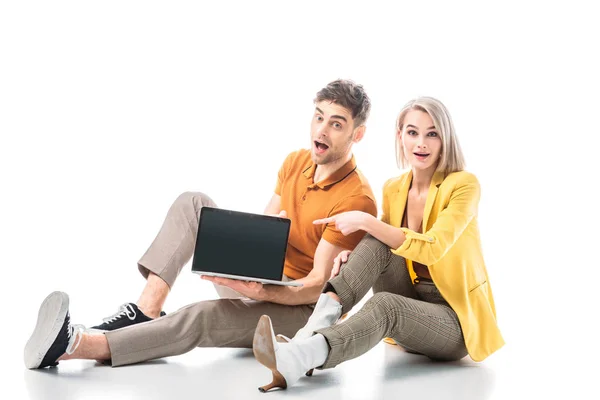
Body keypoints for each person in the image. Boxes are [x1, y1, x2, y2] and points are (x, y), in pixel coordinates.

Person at [24, 79, 378, 370]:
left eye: (336, 123)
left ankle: (74, 345)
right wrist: (245, 265)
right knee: (194, 203)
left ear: (357, 135)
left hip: (300, 310)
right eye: (319, 117)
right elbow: (267, 227)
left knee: (203, 315)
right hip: (267, 281)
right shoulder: (296, 161)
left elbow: (318, 287)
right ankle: (145, 312)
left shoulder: (356, 198)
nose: (322, 130)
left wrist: (263, 292)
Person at [252, 96, 505, 392]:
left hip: (454, 320)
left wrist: (366, 221)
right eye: (412, 132)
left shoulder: (463, 185)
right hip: (411, 297)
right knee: (377, 240)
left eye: (431, 134)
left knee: (384, 298)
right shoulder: (395, 188)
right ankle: (308, 333)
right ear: (400, 136)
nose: (421, 143)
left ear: (444, 138)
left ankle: (300, 357)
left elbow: (434, 247)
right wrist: (354, 251)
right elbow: (386, 244)